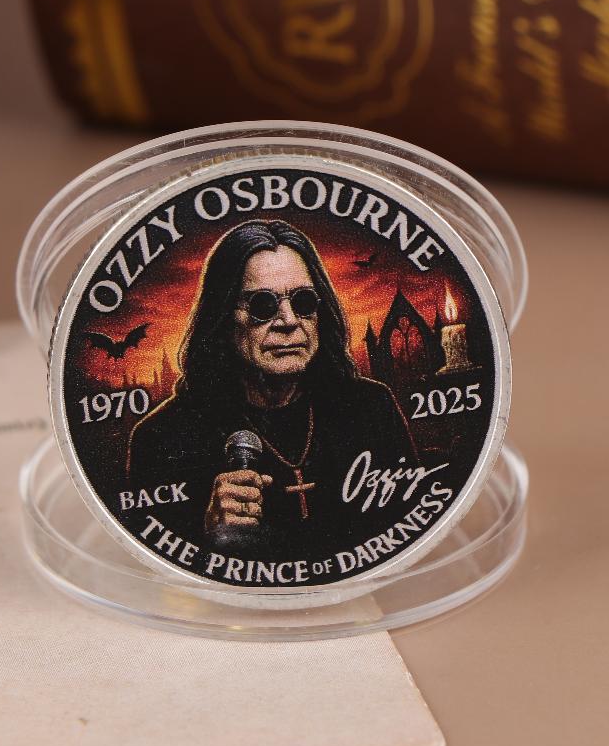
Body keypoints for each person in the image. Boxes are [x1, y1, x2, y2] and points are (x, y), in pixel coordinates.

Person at [126, 220, 415, 554]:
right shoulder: (161, 437)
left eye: (304, 302)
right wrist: (206, 530)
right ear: (222, 316)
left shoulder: (372, 407)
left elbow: (408, 526)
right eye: (262, 305)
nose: (289, 321)